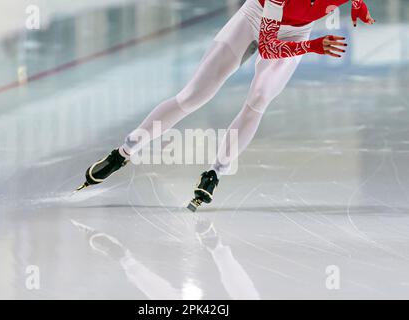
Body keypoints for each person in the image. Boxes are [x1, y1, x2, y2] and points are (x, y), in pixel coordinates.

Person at [75, 0, 375, 211]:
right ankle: (122, 154)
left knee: (258, 100)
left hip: (297, 29)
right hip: (255, 18)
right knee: (193, 96)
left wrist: (359, 5)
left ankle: (215, 173)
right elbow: (269, 48)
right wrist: (312, 46)